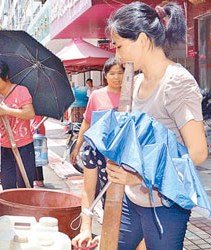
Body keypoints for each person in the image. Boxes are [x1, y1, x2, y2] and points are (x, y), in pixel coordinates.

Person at [86, 2, 207, 250]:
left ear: (141, 40)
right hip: (133, 199)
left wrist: (139, 176)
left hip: (166, 205)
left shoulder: (177, 83)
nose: (117, 56)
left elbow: (197, 152)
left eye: (119, 46)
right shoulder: (135, 81)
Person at [71, 57, 124, 249]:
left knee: (125, 201)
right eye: (112, 74)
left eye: (120, 73)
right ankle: (105, 234)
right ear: (105, 75)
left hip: (124, 158)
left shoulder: (132, 95)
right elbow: (87, 122)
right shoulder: (97, 95)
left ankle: (115, 237)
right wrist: (78, 146)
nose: (117, 77)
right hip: (100, 154)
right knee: (105, 196)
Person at [0, 59, 36, 189]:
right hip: (4, 147)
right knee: (7, 187)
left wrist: (7, 111)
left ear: (5, 77)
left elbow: (30, 113)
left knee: (25, 186)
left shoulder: (21, 91)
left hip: (23, 147)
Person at [31, 115, 46, 187]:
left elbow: (46, 116)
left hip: (38, 131)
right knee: (35, 156)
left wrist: (39, 124)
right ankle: (38, 179)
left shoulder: (41, 105)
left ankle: (39, 180)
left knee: (37, 156)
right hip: (34, 129)